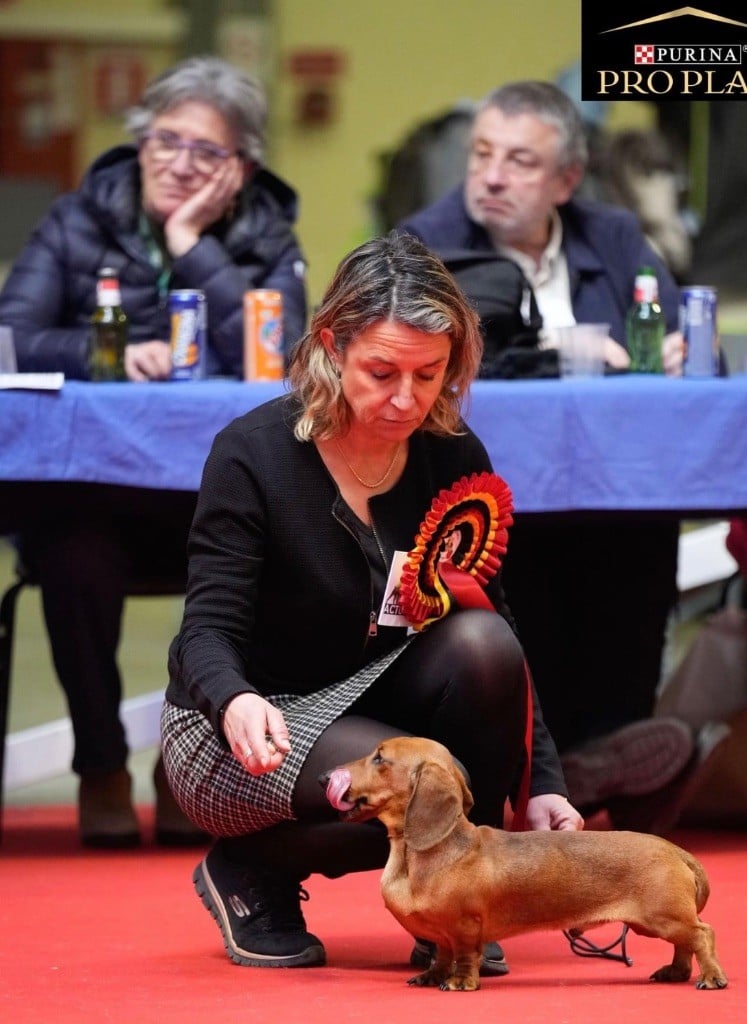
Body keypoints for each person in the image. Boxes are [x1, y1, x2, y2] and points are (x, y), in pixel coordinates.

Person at [161, 231, 584, 972]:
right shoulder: (251, 453)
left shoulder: (450, 453)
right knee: (424, 786)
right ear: (331, 344)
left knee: (480, 649)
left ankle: (451, 902)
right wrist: (233, 700)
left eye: (430, 375)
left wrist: (541, 782)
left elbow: (497, 627)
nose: (405, 399)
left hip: (374, 707)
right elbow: (204, 633)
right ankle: (251, 867)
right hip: (239, 722)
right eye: (381, 371)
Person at [397, 80, 728, 835]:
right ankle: (541, 762)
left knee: (639, 534)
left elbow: (669, 330)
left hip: (616, 486)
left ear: (564, 180)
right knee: (526, 551)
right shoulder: (422, 242)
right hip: (479, 494)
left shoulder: (611, 236)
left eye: (518, 160)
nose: (490, 174)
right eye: (481, 154)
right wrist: (565, 349)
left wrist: (672, 350)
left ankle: (606, 748)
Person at [0, 56, 307, 848]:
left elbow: (286, 359)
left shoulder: (268, 235)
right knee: (74, 561)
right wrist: (109, 351)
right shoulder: (75, 221)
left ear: (241, 168)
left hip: (212, 495)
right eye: (165, 141)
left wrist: (189, 244)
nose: (177, 162)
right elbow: (14, 335)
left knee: (263, 558)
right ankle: (100, 764)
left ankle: (189, 762)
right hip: (91, 497)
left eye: (205, 152)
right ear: (139, 143)